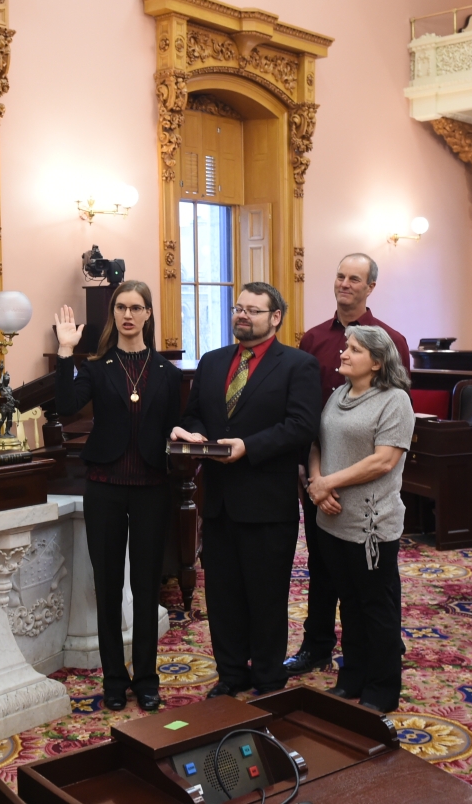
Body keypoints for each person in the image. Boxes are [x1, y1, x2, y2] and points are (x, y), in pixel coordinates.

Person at [171, 282, 320, 697]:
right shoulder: (213, 361)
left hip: (268, 503)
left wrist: (248, 447)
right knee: (222, 596)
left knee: (266, 597)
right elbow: (197, 414)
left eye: (254, 310)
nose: (243, 316)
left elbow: (301, 427)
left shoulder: (298, 365)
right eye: (239, 308)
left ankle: (269, 677)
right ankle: (231, 674)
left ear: (275, 318)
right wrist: (192, 433)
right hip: (217, 503)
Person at [53, 281, 182, 712]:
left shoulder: (166, 372)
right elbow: (68, 404)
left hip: (151, 488)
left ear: (148, 314)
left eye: (136, 308)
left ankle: (146, 678)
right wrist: (66, 352)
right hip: (105, 488)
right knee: (108, 587)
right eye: (121, 307)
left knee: (146, 588)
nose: (128, 315)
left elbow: (175, 424)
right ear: (114, 314)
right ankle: (114, 678)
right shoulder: (97, 367)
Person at [287, 252, 411, 676]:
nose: (345, 284)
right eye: (340, 276)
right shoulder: (314, 339)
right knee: (323, 568)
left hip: (368, 484)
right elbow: (307, 412)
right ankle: (318, 644)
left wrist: (341, 478)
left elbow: (395, 413)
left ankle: (381, 648)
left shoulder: (388, 339)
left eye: (354, 279)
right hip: (319, 474)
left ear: (370, 287)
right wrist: (313, 474)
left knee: (374, 578)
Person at [306, 324, 414, 712]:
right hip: (332, 520)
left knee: (376, 607)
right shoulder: (337, 394)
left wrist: (326, 483)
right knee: (348, 604)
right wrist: (318, 482)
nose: (343, 353)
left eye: (354, 350)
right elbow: (317, 441)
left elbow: (383, 460)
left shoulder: (394, 401)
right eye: (346, 347)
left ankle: (382, 688)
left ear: (378, 361)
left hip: (372, 526)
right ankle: (352, 677)